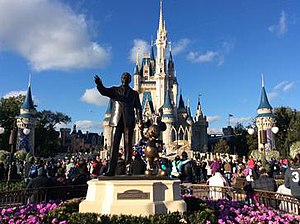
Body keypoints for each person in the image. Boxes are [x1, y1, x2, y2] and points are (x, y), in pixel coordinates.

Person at [95, 72, 143, 176]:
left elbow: (138, 107)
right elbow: (104, 91)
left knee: (128, 145)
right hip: (116, 121)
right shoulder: (114, 90)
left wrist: (140, 120)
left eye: (127, 78)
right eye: (123, 77)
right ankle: (111, 170)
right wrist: (99, 85)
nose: (125, 79)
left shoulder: (134, 94)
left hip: (129, 121)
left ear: (130, 80)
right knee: (114, 145)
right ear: (121, 79)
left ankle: (128, 169)